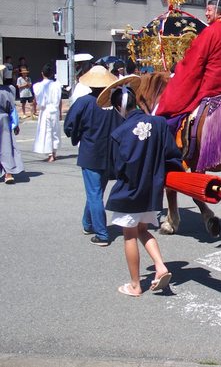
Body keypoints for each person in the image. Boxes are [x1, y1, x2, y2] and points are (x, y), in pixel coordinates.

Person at [99, 75, 183, 296]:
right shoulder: (159, 123)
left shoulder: (119, 133)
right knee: (143, 230)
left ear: (118, 107)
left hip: (129, 191)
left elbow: (117, 168)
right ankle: (160, 266)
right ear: (135, 101)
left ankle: (135, 285)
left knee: (129, 235)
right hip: (151, 190)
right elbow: (172, 154)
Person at [156, 0, 221, 120]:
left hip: (212, 88)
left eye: (209, 10)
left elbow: (193, 63)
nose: (206, 14)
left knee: (174, 120)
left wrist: (179, 70)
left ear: (220, 14)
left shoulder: (210, 32)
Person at [64, 65, 123, 247]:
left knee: (94, 193)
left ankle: (102, 233)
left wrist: (77, 134)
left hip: (91, 153)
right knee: (96, 191)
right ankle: (88, 223)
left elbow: (69, 126)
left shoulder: (84, 102)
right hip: (110, 153)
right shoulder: (115, 104)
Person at [32, 64, 62, 162]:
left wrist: (34, 109)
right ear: (51, 74)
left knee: (47, 132)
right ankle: (54, 152)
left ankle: (50, 154)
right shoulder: (57, 85)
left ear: (42, 73)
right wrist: (60, 112)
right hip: (55, 110)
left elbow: (35, 100)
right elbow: (60, 100)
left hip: (45, 110)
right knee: (55, 131)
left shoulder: (38, 86)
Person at [0, 65, 23, 184]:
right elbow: (12, 108)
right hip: (3, 119)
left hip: (3, 117)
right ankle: (8, 173)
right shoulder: (8, 90)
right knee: (6, 145)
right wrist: (16, 124)